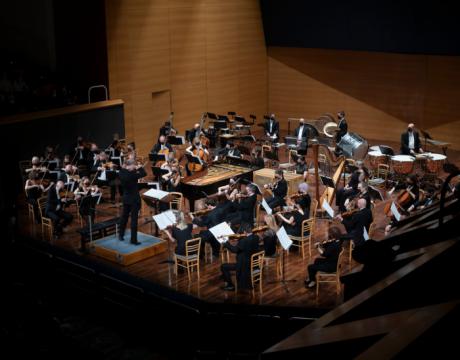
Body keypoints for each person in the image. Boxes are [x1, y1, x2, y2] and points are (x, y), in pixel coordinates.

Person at [220, 222, 260, 291]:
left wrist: (226, 243)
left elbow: (234, 250)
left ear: (244, 232)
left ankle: (230, 285)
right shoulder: (256, 237)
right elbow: (243, 246)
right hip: (253, 264)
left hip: (244, 265)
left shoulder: (244, 241)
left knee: (223, 266)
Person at [118, 160, 147, 245]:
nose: (134, 167)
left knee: (124, 218)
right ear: (129, 165)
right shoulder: (132, 175)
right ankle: (133, 240)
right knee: (134, 220)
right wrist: (140, 167)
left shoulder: (121, 172)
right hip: (134, 200)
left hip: (126, 198)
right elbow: (144, 173)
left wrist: (134, 169)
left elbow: (128, 171)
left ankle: (121, 235)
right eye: (133, 165)